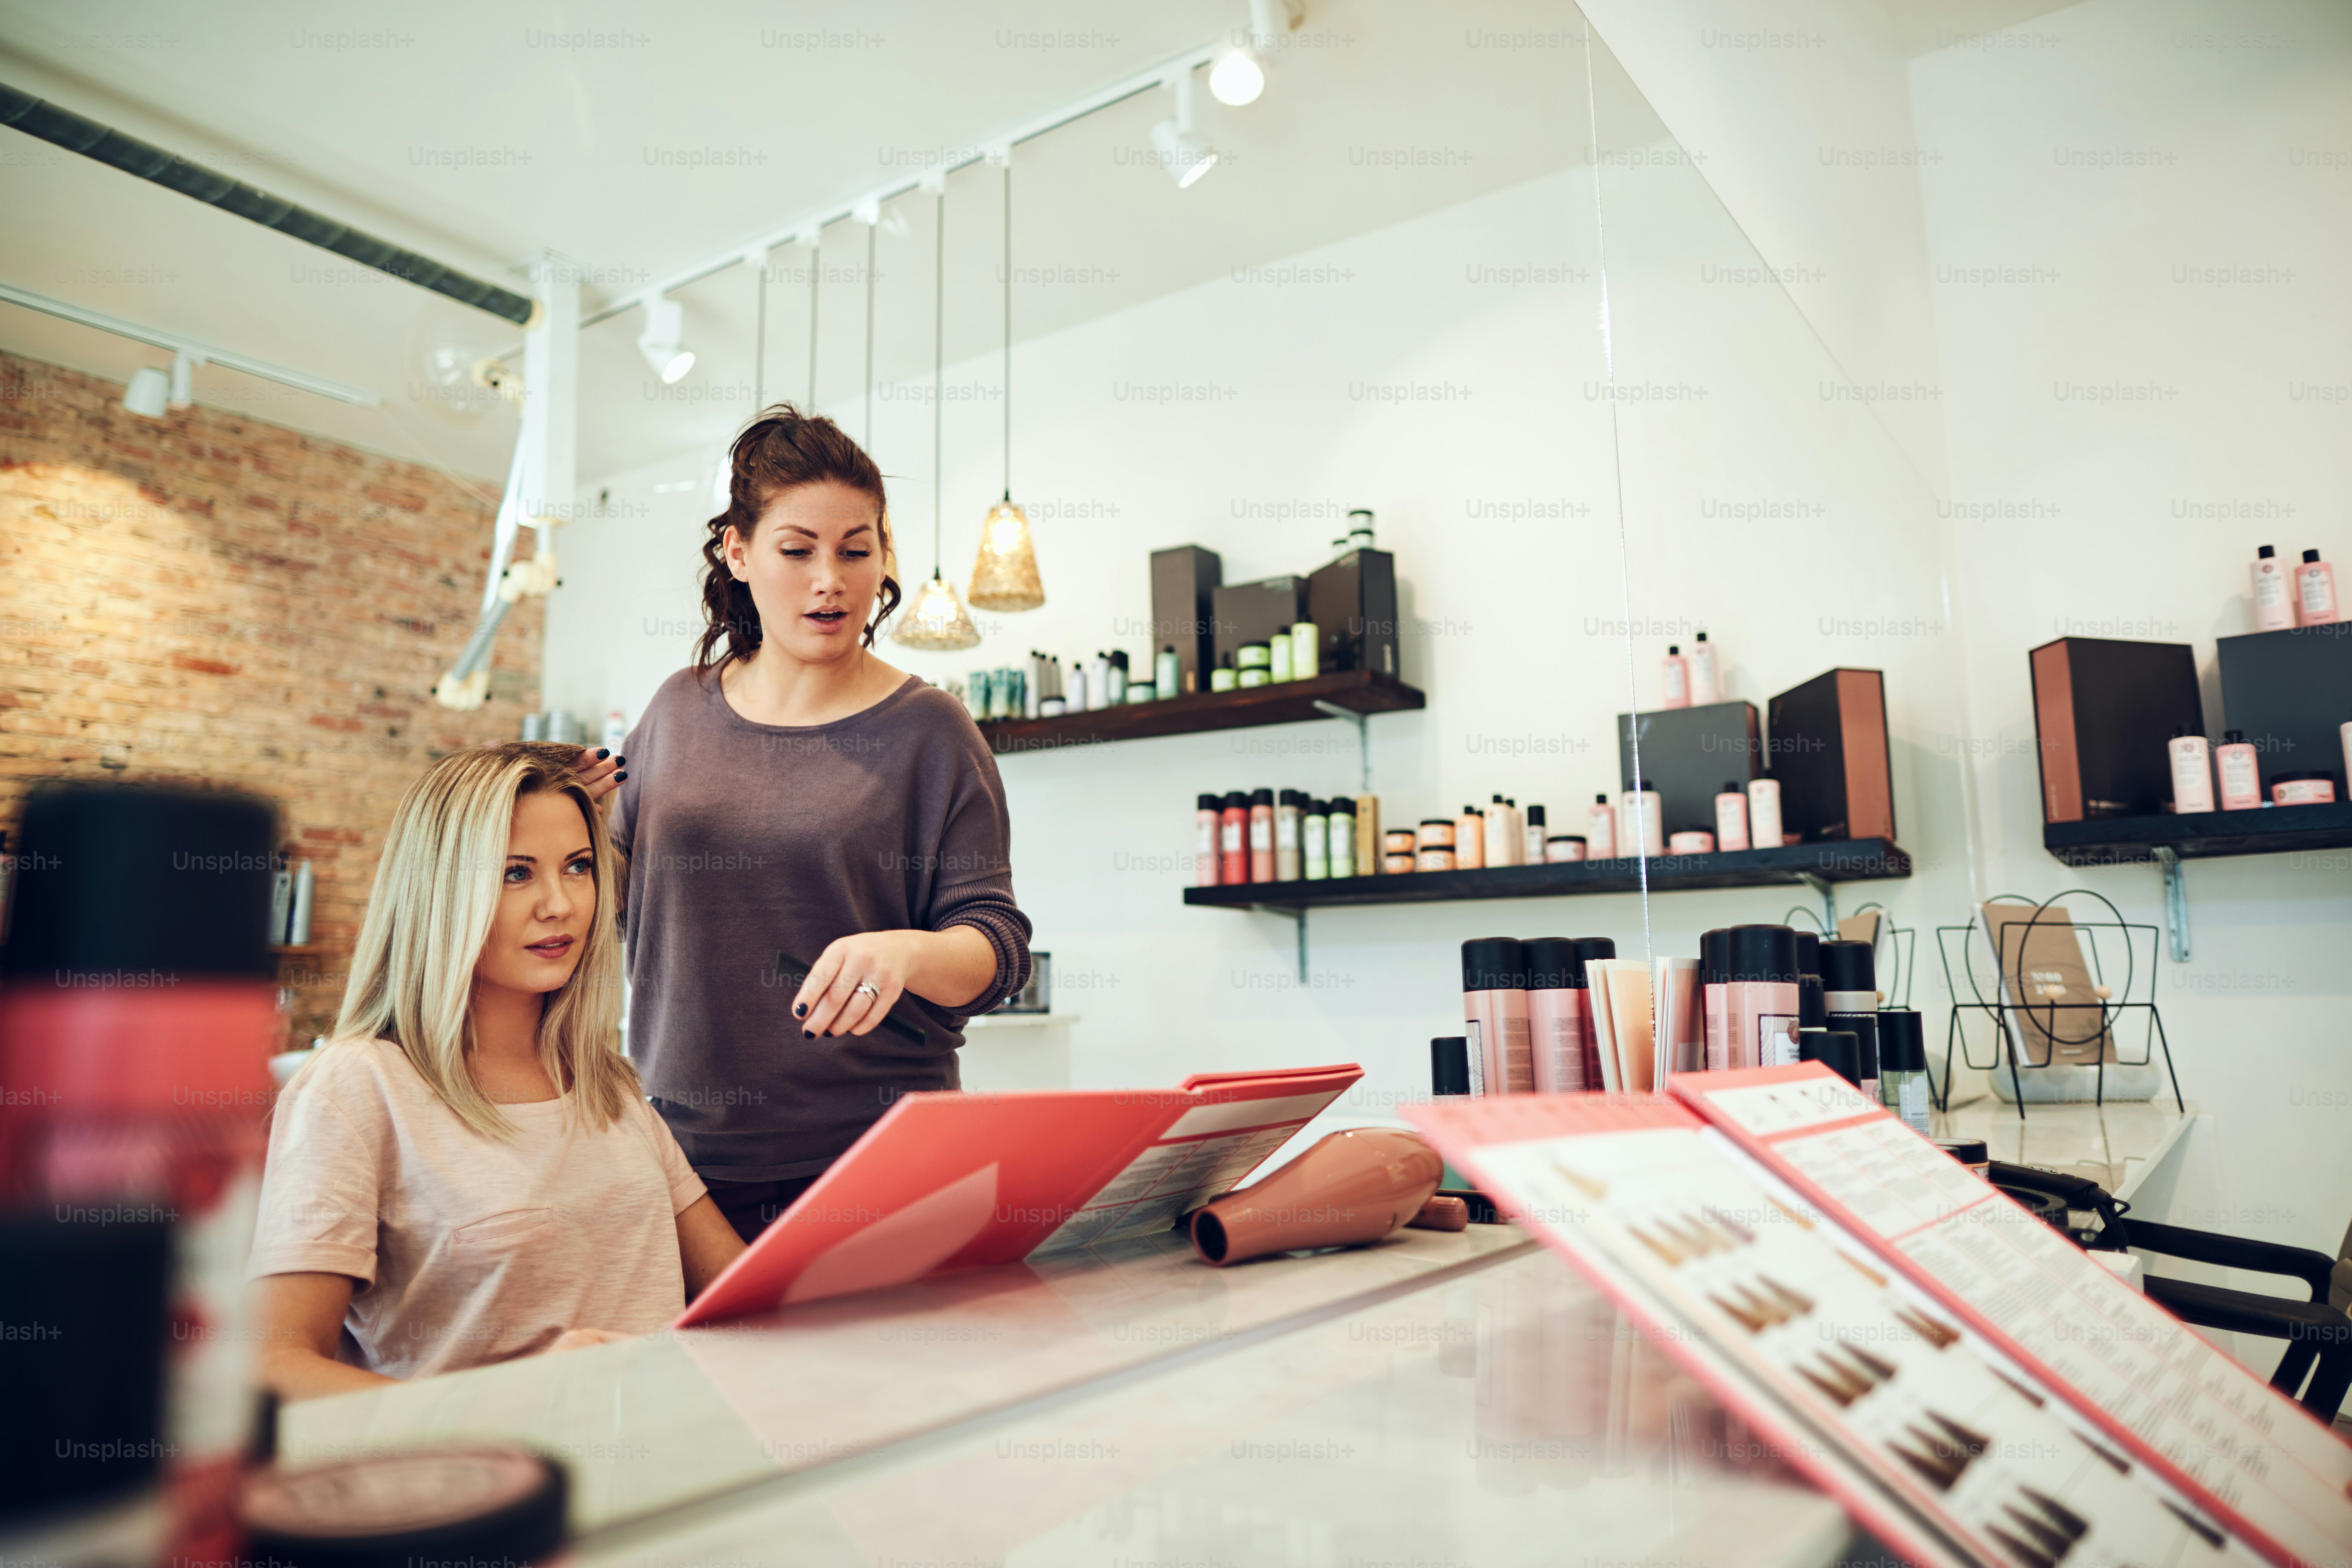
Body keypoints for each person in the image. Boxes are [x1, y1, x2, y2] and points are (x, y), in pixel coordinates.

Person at [576, 405, 1032, 1243]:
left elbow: (997, 949)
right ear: (738, 553)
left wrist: (905, 952)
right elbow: (611, 905)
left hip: (879, 1157)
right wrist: (568, 829)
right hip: (684, 1160)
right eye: (798, 550)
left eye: (856, 551)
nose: (831, 579)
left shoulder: (929, 730)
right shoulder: (678, 710)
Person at [248, 744, 745, 1397]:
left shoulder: (608, 1085)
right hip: (486, 1484)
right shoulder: (357, 1088)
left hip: (659, 1466)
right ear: (439, 890)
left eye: (578, 868)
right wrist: (510, 1414)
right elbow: (276, 1368)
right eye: (516, 874)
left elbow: (743, 1290)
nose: (559, 904)